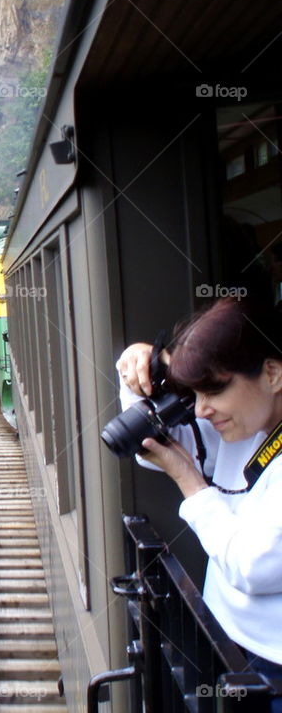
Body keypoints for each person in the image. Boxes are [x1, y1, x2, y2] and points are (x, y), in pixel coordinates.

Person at [116, 297, 282, 705]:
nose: (202, 409)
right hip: (226, 647)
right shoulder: (250, 424)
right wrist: (137, 368)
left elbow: (252, 564)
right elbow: (155, 446)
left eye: (215, 390)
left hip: (271, 671)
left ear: (272, 373)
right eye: (194, 393)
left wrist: (188, 480)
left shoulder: (248, 424)